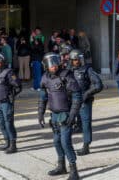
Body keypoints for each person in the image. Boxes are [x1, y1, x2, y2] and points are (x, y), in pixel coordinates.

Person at [38, 52, 82, 180]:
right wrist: (40, 114)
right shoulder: (45, 78)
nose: (54, 66)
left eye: (55, 63)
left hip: (65, 114)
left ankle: (74, 170)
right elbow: (42, 98)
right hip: (54, 115)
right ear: (46, 65)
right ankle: (61, 166)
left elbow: (77, 96)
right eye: (51, 64)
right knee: (57, 142)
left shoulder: (66, 75)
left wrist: (72, 114)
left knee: (65, 142)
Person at [68, 49, 102, 156]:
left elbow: (98, 85)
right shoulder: (68, 70)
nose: (76, 62)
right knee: (69, 122)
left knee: (86, 123)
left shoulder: (88, 69)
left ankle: (86, 145)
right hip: (72, 101)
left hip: (84, 101)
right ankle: (68, 144)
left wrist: (86, 94)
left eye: (77, 59)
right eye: (73, 60)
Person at [0, 52, 21, 153]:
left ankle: (13, 145)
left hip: (6, 102)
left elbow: (18, 86)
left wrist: (11, 95)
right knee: (1, 124)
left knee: (8, 123)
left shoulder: (9, 72)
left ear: (2, 62)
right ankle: (7, 142)